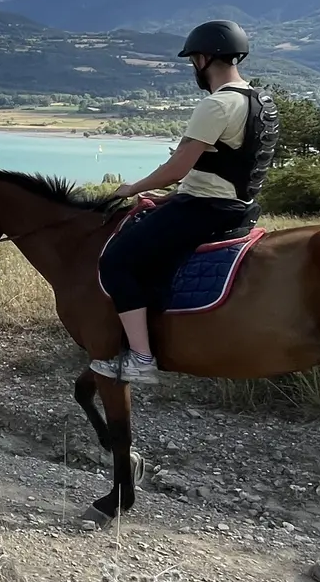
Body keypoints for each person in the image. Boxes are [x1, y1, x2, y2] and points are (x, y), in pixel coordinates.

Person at [92, 19, 279, 385]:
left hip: (205, 210)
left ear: (203, 58)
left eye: (194, 58)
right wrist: (168, 197)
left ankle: (141, 359)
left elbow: (177, 167)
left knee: (115, 261)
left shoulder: (217, 105)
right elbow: (231, 166)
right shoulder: (261, 101)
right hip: (237, 207)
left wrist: (132, 188)